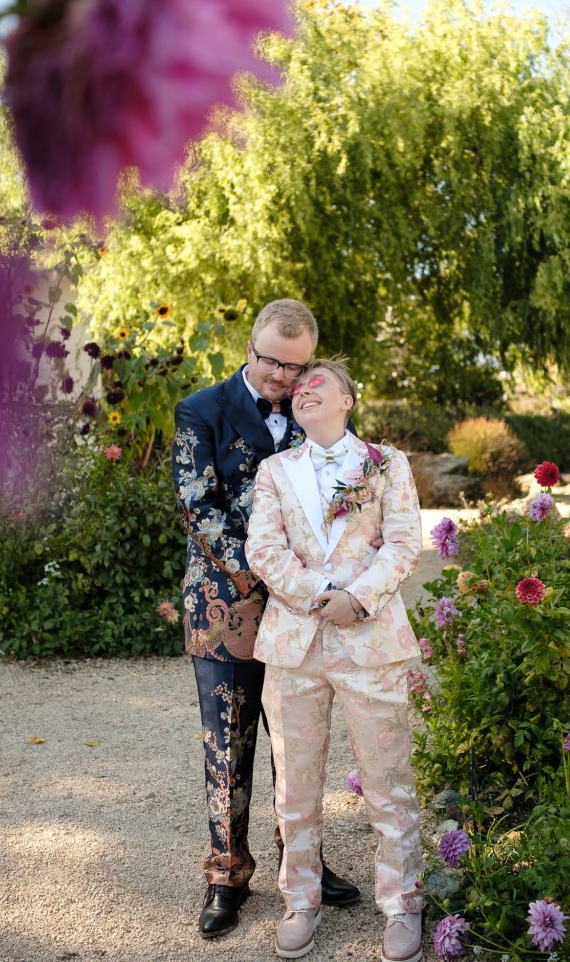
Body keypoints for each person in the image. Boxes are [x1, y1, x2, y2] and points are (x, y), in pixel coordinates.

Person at [172, 301, 360, 940]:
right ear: (250, 348)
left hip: (301, 610)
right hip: (228, 604)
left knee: (297, 743)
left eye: (297, 365)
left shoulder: (316, 412)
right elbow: (200, 508)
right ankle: (226, 875)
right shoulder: (201, 410)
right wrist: (272, 575)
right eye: (273, 361)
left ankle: (301, 866)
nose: (284, 377)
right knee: (228, 745)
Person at [245, 357, 425, 962]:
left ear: (348, 399)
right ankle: (301, 899)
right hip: (295, 646)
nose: (302, 391)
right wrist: (318, 597)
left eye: (317, 383)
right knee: (295, 784)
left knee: (387, 778)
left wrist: (359, 598)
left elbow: (404, 543)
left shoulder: (386, 463)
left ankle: (403, 904)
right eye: (297, 388)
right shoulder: (274, 470)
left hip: (369, 642)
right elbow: (263, 548)